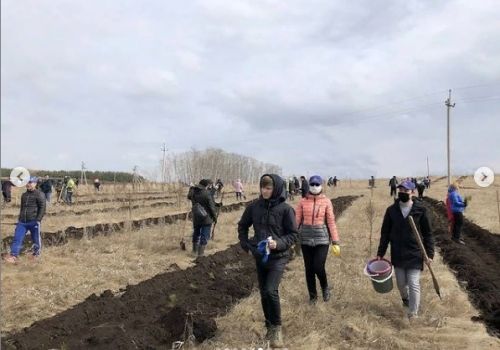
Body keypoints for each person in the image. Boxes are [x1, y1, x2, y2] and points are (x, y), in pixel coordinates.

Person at [238, 174, 298, 348]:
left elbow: (294, 234)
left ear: (276, 189)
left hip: (278, 257)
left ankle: (277, 328)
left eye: (268, 188)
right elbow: (243, 225)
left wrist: (278, 243)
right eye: (263, 187)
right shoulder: (254, 207)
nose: (264, 191)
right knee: (263, 292)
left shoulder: (286, 210)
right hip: (260, 256)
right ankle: (268, 326)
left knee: (271, 290)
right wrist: (246, 245)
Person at [376, 180, 434, 320]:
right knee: (401, 284)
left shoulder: (421, 210)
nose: (402, 192)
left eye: (406, 190)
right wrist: (381, 253)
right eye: (400, 190)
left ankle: (413, 313)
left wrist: (429, 254)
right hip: (398, 252)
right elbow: (385, 233)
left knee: (413, 282)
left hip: (415, 252)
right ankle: (405, 299)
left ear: (412, 192)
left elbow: (428, 234)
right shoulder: (391, 211)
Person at [295, 175, 339, 304]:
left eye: (317, 184)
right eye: (312, 184)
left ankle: (325, 287)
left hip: (322, 239)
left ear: (321, 186)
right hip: (306, 238)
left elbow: (331, 221)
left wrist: (335, 240)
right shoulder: (303, 201)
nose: (314, 187)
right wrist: (292, 237)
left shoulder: (326, 202)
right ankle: (312, 297)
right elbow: (296, 221)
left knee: (318, 267)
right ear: (309, 185)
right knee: (309, 269)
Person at [4, 177, 46, 263]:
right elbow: (22, 208)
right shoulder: (24, 195)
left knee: (36, 239)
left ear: (35, 183)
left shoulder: (39, 194)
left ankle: (36, 254)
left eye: (31, 182)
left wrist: (38, 220)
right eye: (27, 182)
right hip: (22, 222)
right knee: (17, 238)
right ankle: (13, 256)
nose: (28, 184)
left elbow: (42, 208)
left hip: (34, 221)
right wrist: (19, 219)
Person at [188, 179, 217, 257]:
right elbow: (211, 207)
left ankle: (194, 251)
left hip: (196, 216)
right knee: (205, 235)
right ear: (207, 185)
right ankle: (201, 254)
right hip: (206, 218)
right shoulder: (207, 194)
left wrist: (191, 188)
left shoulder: (193, 191)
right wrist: (215, 217)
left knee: (196, 233)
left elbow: (189, 196)